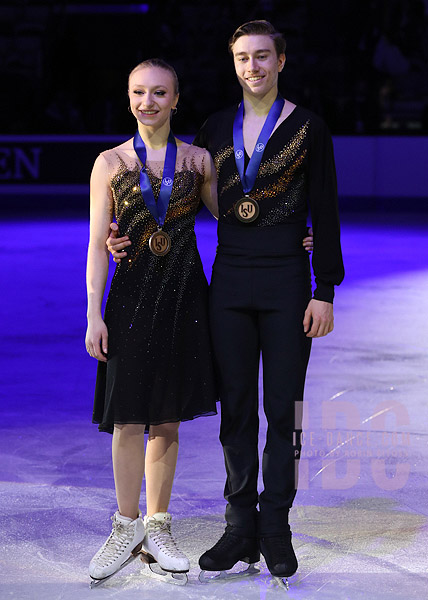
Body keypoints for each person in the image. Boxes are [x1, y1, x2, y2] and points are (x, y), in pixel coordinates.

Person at [106, 19, 343, 589]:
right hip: (229, 286)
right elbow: (183, 200)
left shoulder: (310, 129)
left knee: (284, 411)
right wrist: (125, 235)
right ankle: (239, 527)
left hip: (289, 285)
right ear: (233, 63)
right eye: (243, 57)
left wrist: (324, 287)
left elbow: (327, 212)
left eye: (263, 56)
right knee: (235, 411)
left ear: (281, 61)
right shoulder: (215, 127)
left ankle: (276, 529)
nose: (253, 67)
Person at [85, 58, 218, 587]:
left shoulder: (199, 161)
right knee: (127, 418)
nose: (148, 102)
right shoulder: (111, 163)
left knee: (167, 419)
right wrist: (93, 312)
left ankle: (158, 525)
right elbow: (98, 242)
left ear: (176, 100)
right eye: (139, 92)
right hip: (131, 298)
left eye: (159, 93)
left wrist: (296, 239)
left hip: (186, 298)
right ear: (128, 97)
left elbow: (233, 220)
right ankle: (125, 526)